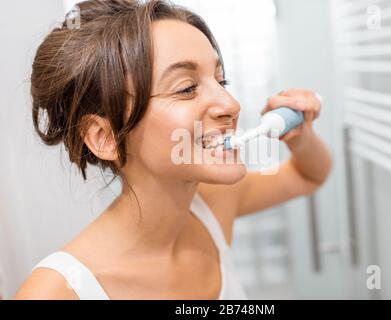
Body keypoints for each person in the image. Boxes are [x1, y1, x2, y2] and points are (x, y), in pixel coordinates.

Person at [15, 0, 331, 299]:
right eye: (186, 88)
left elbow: (309, 176)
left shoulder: (214, 203)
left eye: (221, 81)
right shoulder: (55, 292)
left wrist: (300, 135)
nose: (231, 105)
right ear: (105, 137)